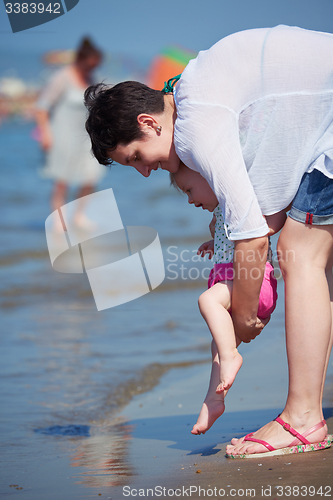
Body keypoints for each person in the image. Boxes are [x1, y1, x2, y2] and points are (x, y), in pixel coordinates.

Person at [84, 25, 333, 457]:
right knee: (315, 254)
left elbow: (254, 237)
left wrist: (245, 317)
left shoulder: (195, 125)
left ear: (148, 123)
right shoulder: (192, 89)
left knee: (303, 254)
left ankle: (303, 420)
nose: (145, 172)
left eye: (137, 158)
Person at [171, 163, 280, 435]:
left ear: (210, 177)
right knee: (217, 346)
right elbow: (221, 233)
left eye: (190, 190)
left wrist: (256, 235)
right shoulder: (219, 213)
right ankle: (214, 399)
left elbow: (275, 219)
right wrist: (214, 242)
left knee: (207, 301)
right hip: (230, 282)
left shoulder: (242, 200)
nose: (190, 200)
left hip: (253, 281)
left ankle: (232, 358)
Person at [35, 37, 105, 230]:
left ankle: (79, 216)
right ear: (80, 60)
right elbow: (41, 107)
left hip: (87, 138)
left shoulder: (92, 78)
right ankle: (59, 220)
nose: (92, 69)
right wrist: (45, 133)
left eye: (95, 66)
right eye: (89, 65)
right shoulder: (61, 77)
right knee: (62, 180)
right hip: (62, 135)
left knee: (91, 176)